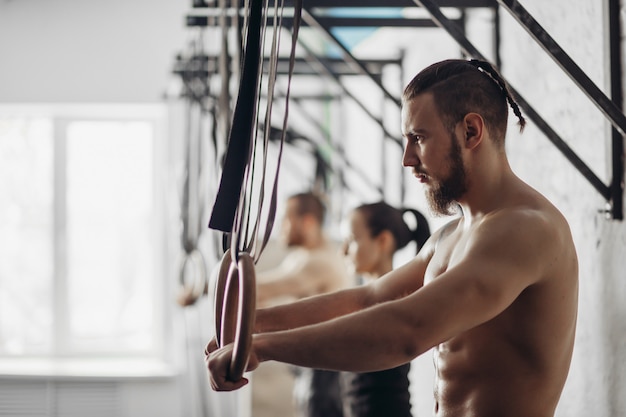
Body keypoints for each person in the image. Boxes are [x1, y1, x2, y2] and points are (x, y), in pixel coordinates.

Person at [205, 58, 579, 417]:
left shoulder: (526, 229)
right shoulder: (451, 235)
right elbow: (371, 298)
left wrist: (260, 348)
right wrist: (252, 324)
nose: (407, 159)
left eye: (418, 138)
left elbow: (408, 331)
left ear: (470, 131)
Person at [256, 191, 351, 417]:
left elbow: (258, 290)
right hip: (311, 370)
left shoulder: (319, 262)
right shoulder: (301, 258)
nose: (281, 228)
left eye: (285, 220)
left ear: (307, 223)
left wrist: (203, 287)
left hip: (326, 375)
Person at [341, 202, 430, 417]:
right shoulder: (360, 297)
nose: (343, 250)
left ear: (383, 241)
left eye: (352, 240)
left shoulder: (396, 299)